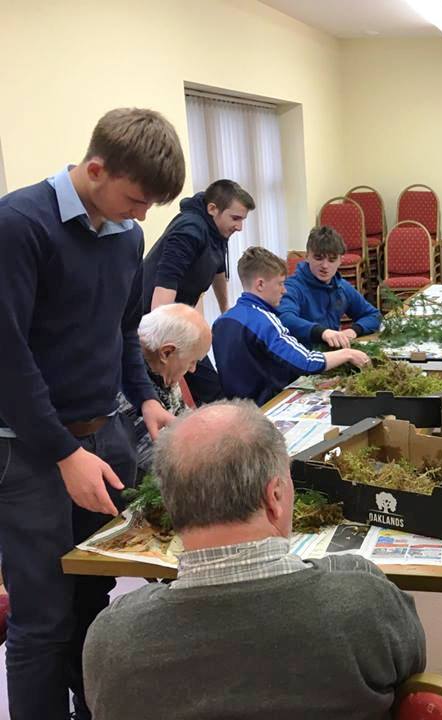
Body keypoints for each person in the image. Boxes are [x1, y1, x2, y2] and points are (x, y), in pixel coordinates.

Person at [0, 108, 185, 720]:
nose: (142, 216)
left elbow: (121, 331)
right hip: (28, 452)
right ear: (95, 167)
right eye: (136, 198)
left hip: (100, 437)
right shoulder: (19, 224)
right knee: (43, 618)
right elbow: (9, 359)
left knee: (92, 596)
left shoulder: (126, 235)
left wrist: (148, 399)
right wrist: (62, 453)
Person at [82, 400, 427, 720]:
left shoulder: (112, 640)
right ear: (275, 497)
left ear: (172, 505)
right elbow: (414, 683)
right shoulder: (367, 603)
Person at [142, 178, 256, 403]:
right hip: (154, 326)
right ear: (213, 209)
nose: (240, 227)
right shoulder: (189, 229)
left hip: (182, 321)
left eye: (242, 220)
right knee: (163, 396)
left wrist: (226, 309)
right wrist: (162, 344)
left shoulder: (218, 231)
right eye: (235, 218)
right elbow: (165, 282)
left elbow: (218, 269)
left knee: (212, 391)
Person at [213, 247, 370, 405]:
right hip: (265, 407)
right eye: (280, 284)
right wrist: (348, 354)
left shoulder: (221, 321)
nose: (284, 290)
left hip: (236, 409)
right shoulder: (263, 320)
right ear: (260, 284)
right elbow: (306, 362)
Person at [117, 303, 212, 478]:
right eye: (192, 361)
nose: (193, 369)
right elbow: (157, 463)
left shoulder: (161, 370)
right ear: (166, 352)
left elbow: (184, 420)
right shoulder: (127, 390)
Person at [278, 225, 382, 347]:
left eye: (332, 260)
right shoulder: (291, 287)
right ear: (307, 257)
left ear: (340, 260)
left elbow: (374, 315)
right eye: (318, 258)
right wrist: (323, 333)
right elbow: (284, 319)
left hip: (331, 353)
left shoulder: (341, 287)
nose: (325, 266)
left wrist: (354, 330)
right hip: (302, 356)